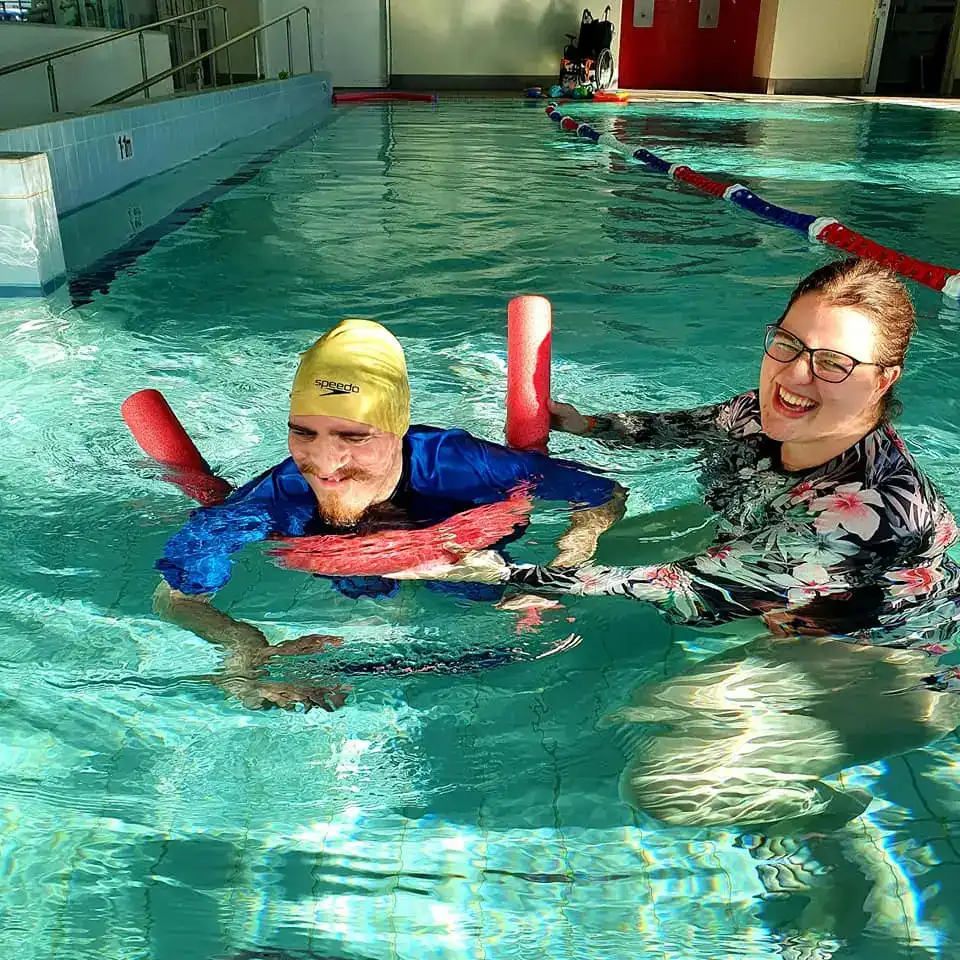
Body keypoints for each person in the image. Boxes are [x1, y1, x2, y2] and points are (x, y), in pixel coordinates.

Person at [394, 258, 960, 827]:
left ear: (882, 379)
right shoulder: (765, 413)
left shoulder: (873, 511)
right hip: (782, 598)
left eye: (833, 363)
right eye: (788, 344)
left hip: (885, 668)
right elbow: (692, 425)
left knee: (664, 783)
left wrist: (502, 574)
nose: (794, 376)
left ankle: (813, 811)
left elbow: (693, 589)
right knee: (635, 699)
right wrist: (588, 426)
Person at [154, 317, 625, 710]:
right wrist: (243, 651)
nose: (325, 462)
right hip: (348, 571)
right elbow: (176, 597)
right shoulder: (274, 496)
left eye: (353, 437)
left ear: (396, 427)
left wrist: (563, 565)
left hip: (466, 553)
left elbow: (602, 494)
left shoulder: (463, 465)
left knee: (479, 589)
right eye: (303, 432)